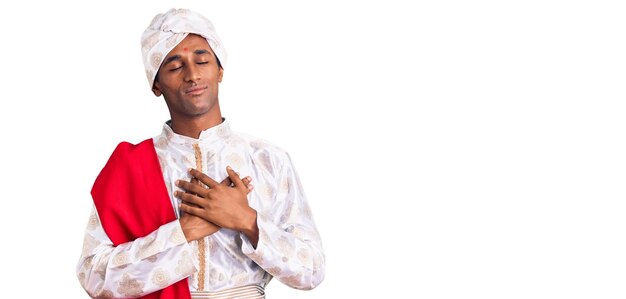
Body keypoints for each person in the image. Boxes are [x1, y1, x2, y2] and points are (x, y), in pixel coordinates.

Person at [76, 8, 325, 299]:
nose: (192, 75)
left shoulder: (268, 160)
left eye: (202, 60)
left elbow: (311, 270)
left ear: (219, 70)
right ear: (156, 84)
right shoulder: (129, 168)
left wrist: (246, 220)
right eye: (174, 66)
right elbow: (94, 276)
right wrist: (182, 233)